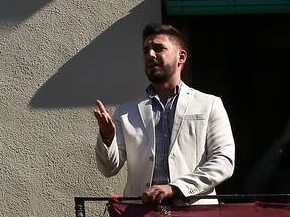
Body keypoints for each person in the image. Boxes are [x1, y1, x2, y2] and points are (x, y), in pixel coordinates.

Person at [93, 23, 235, 204]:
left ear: (181, 56)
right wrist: (107, 137)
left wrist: (176, 188)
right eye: (146, 50)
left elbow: (224, 161)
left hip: (195, 214)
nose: (150, 54)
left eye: (158, 48)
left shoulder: (209, 104)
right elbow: (108, 169)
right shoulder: (126, 112)